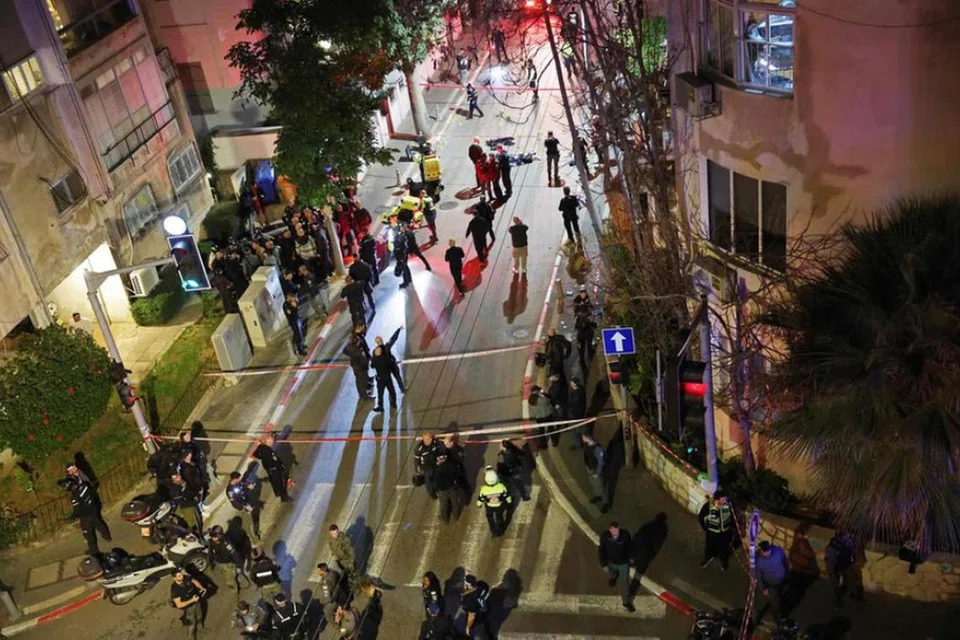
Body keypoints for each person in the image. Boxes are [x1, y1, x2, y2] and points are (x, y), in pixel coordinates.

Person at [62, 466, 111, 555]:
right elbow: (92, 493)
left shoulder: (74, 497)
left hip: (85, 515)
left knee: (88, 533)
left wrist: (72, 517)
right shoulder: (85, 486)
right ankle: (107, 536)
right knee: (98, 523)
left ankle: (94, 551)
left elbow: (77, 511)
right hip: (93, 508)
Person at [599, 522, 635, 612]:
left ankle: (626, 602)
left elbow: (630, 547)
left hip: (623, 564)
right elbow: (601, 550)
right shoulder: (605, 536)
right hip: (610, 562)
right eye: (614, 531)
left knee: (624, 583)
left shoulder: (625, 535)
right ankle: (613, 578)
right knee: (612, 573)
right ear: (610, 530)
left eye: (618, 530)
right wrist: (603, 564)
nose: (617, 533)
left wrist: (631, 558)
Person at [754, 540, 790, 623]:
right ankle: (779, 619)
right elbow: (758, 576)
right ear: (761, 551)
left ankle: (782, 610)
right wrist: (763, 588)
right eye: (765, 552)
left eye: (768, 551)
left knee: (783, 596)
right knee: (775, 604)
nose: (767, 553)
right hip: (771, 585)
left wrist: (787, 572)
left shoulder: (778, 551)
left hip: (783, 580)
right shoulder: (759, 562)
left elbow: (785, 562)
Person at [825, 530, 862, 610]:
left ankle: (842, 598)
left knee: (846, 582)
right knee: (837, 585)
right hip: (836, 566)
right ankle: (837, 601)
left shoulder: (837, 543)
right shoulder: (836, 545)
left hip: (842, 565)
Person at [698, 491, 734, 571]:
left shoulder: (728, 505)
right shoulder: (708, 507)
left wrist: (733, 528)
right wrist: (704, 528)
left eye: (725, 499)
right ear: (717, 500)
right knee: (709, 547)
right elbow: (701, 517)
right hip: (712, 532)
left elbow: (732, 517)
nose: (725, 500)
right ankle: (708, 558)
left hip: (725, 533)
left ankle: (724, 562)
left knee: (724, 548)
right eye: (723, 499)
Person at [208, 524, 250, 593]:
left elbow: (235, 555)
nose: (213, 539)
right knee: (233, 575)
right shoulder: (211, 542)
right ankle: (244, 583)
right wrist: (211, 563)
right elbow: (210, 552)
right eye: (212, 536)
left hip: (228, 564)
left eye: (215, 537)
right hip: (219, 563)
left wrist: (238, 566)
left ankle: (235, 592)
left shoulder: (227, 544)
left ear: (220, 536)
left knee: (230, 580)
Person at [251, 433, 292, 502]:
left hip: (274, 468)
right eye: (271, 441)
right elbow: (256, 454)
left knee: (279, 482)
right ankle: (283, 496)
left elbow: (274, 458)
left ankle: (283, 495)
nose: (272, 442)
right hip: (273, 469)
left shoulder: (267, 448)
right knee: (279, 483)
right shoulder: (264, 449)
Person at [477, 466, 512, 537]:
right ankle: (501, 531)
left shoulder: (484, 489)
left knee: (490, 518)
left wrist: (479, 504)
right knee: (499, 517)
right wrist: (509, 502)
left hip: (489, 506)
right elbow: (507, 495)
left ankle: (493, 531)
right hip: (499, 505)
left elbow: (481, 499)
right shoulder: (501, 487)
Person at [433, 445, 464, 523]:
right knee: (455, 503)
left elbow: (435, 480)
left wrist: (436, 489)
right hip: (452, 487)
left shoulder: (437, 468)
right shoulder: (452, 464)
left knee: (443, 505)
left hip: (442, 489)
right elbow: (458, 474)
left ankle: (444, 519)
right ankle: (456, 517)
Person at [226, 471, 261, 539]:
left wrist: (248, 487)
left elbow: (243, 487)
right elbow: (233, 502)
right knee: (254, 514)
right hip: (242, 504)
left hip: (246, 500)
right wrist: (243, 506)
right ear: (234, 479)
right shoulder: (230, 490)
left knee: (254, 512)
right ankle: (255, 532)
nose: (240, 479)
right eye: (238, 478)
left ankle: (256, 529)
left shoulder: (238, 483)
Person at [344, 325, 374, 400]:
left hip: (362, 366)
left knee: (364, 378)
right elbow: (358, 357)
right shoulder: (355, 351)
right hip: (359, 367)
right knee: (361, 382)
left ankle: (366, 386)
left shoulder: (357, 347)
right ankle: (364, 396)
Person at [582, 434, 609, 512]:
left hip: (595, 470)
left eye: (584, 437)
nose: (583, 438)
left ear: (588, 439)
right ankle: (597, 496)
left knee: (600, 487)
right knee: (594, 484)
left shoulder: (598, 449)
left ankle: (606, 503)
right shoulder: (586, 445)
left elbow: (601, 462)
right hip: (590, 468)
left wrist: (597, 473)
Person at [415, 432, 441, 499]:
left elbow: (439, 449)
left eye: (430, 439)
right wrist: (417, 472)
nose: (430, 440)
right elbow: (416, 461)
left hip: (435, 464)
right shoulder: (419, 449)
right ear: (424, 440)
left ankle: (437, 489)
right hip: (425, 467)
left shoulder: (434, 443)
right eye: (428, 439)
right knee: (428, 481)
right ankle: (432, 494)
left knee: (436, 478)